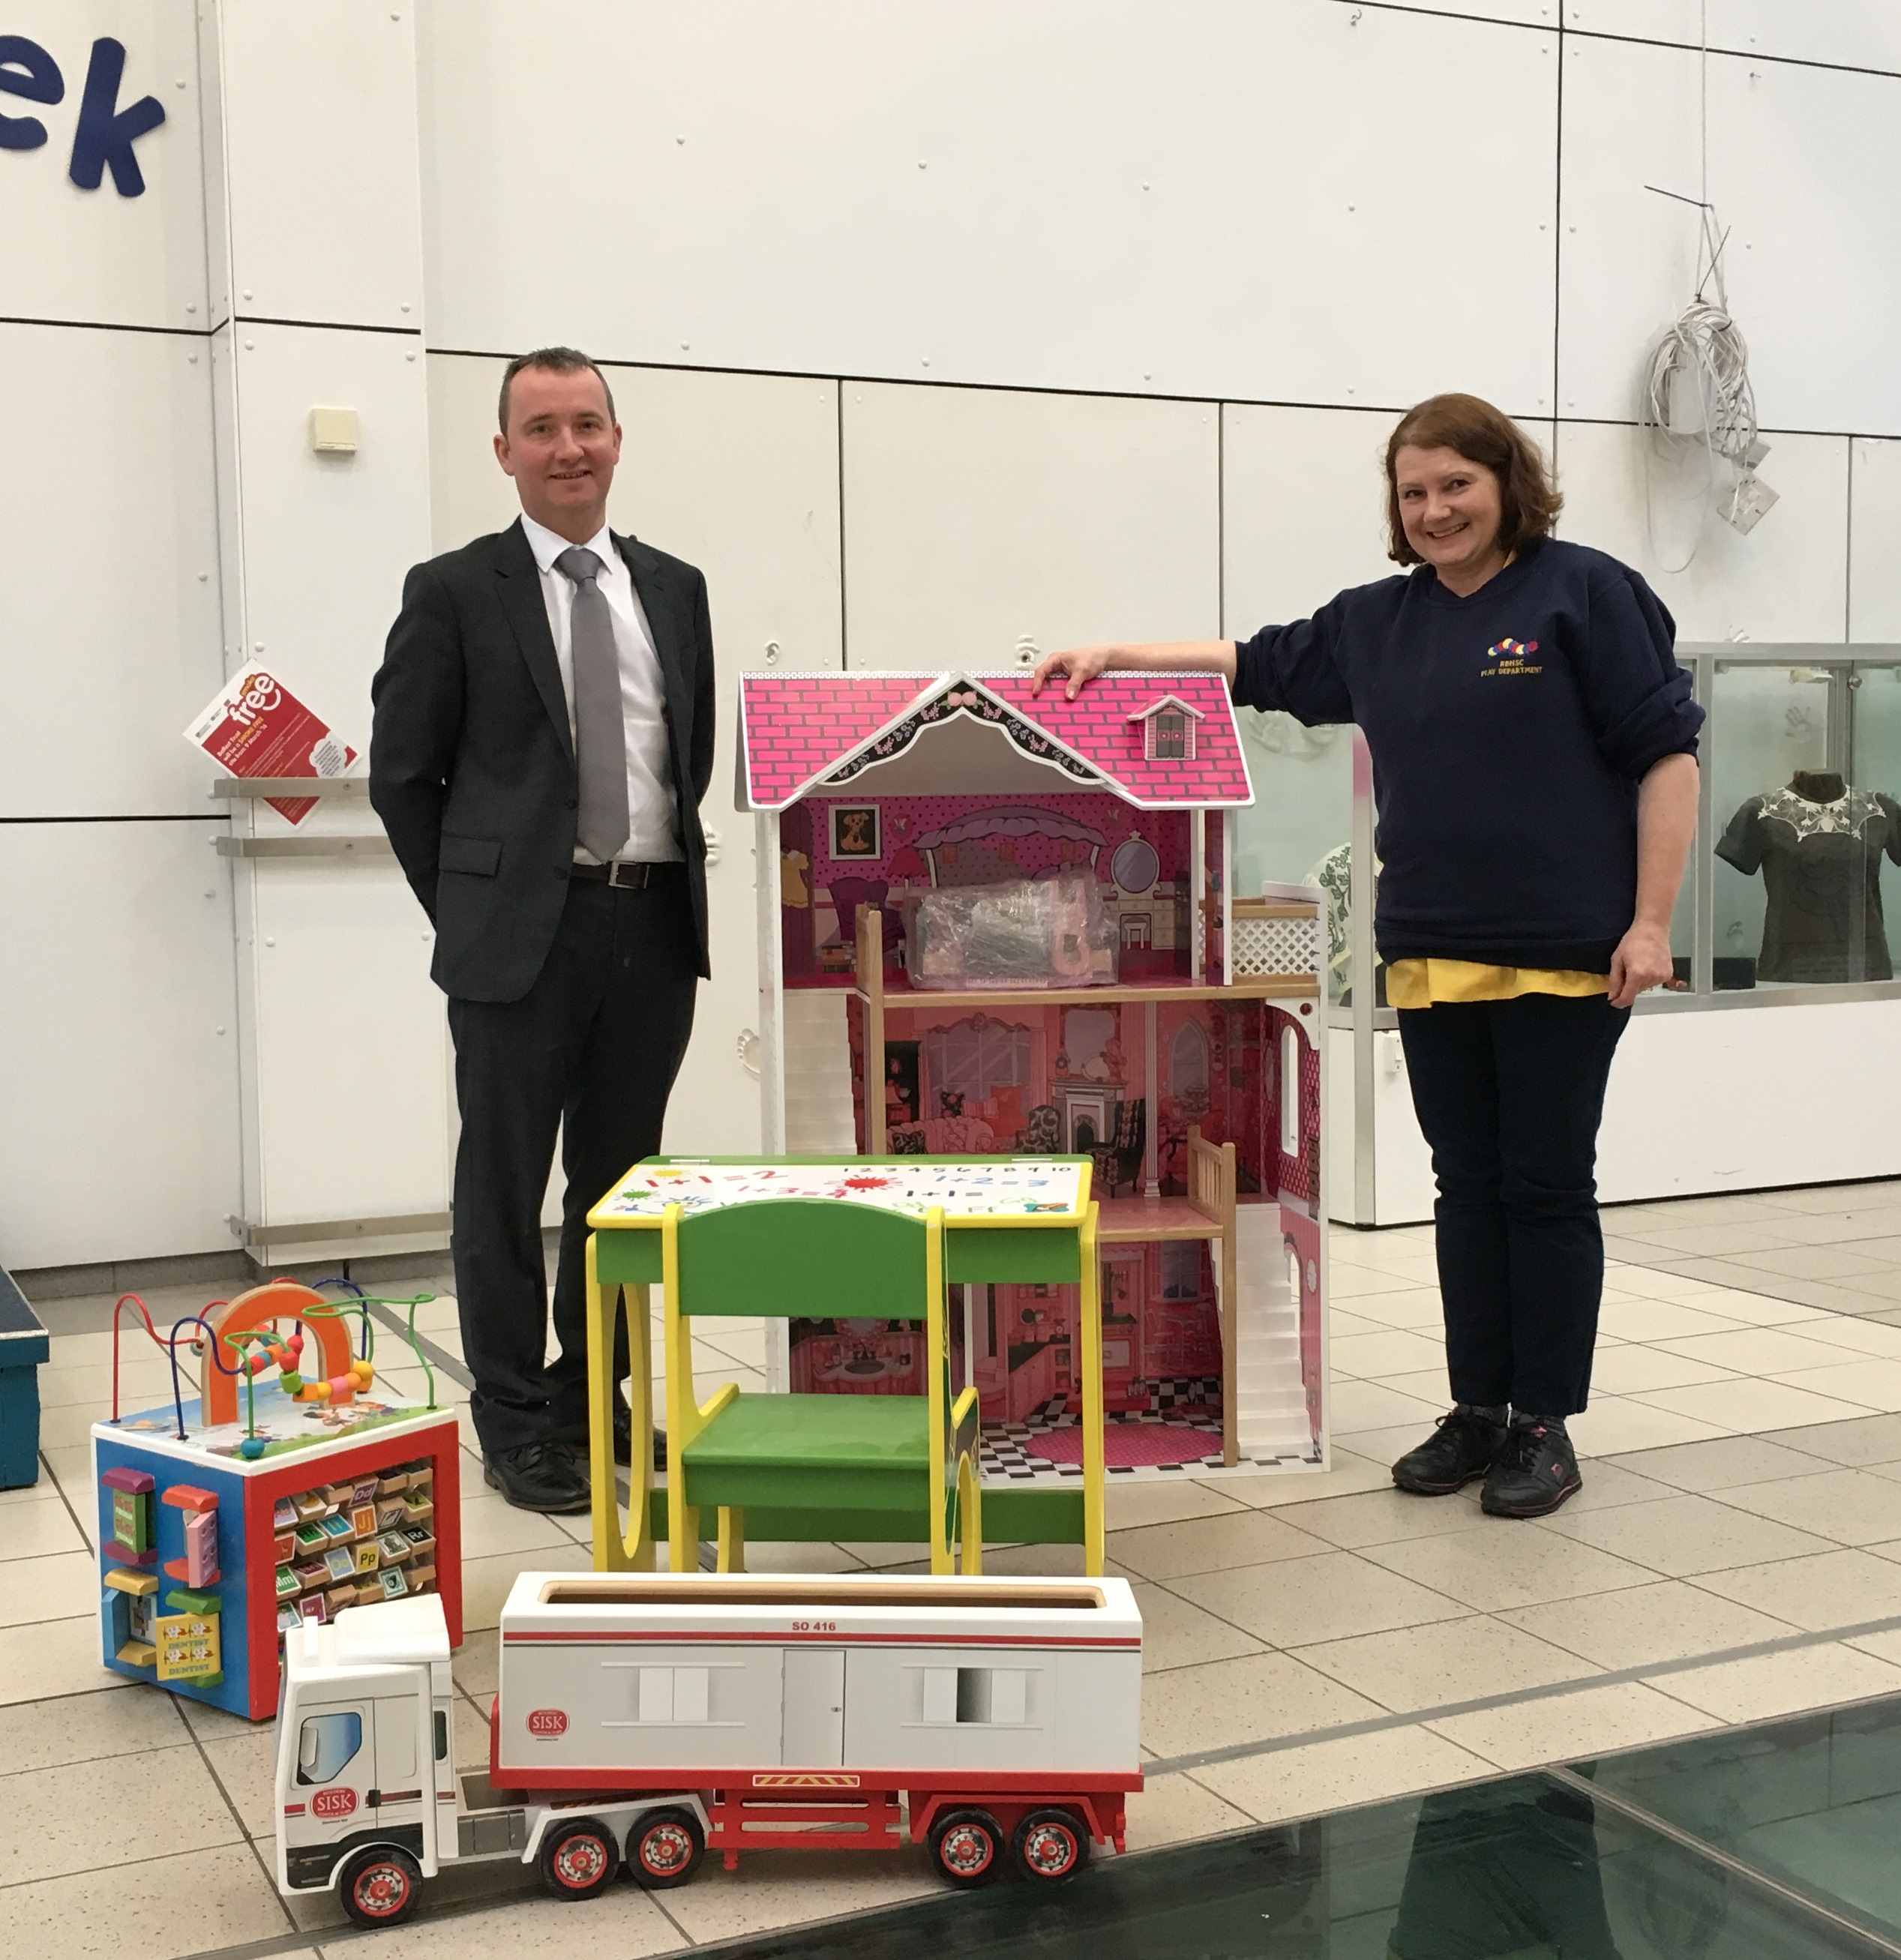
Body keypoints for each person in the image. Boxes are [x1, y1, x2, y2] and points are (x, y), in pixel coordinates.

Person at [1033, 393, 1700, 1518]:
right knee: (1465, 1187)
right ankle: (1479, 1406)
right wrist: (1118, 654)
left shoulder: (1584, 592)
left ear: (1508, 484)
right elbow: (1252, 662)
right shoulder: (1376, 623)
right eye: (1414, 491)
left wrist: (1650, 922)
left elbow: (1668, 757)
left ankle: (1544, 1422)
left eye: (1457, 485)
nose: (1435, 509)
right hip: (1433, 950)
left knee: (1544, 1186)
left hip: (1566, 954)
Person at [370, 347, 715, 1513]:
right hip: (518, 939)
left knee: (618, 1189)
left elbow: (686, 755)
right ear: (504, 451)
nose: (569, 448)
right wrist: (476, 907)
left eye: (587, 424)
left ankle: (588, 1403)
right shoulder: (453, 591)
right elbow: (403, 776)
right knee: (503, 1187)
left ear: (618, 439)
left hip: (652, 926)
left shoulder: (676, 588)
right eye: (541, 428)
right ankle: (514, 1418)